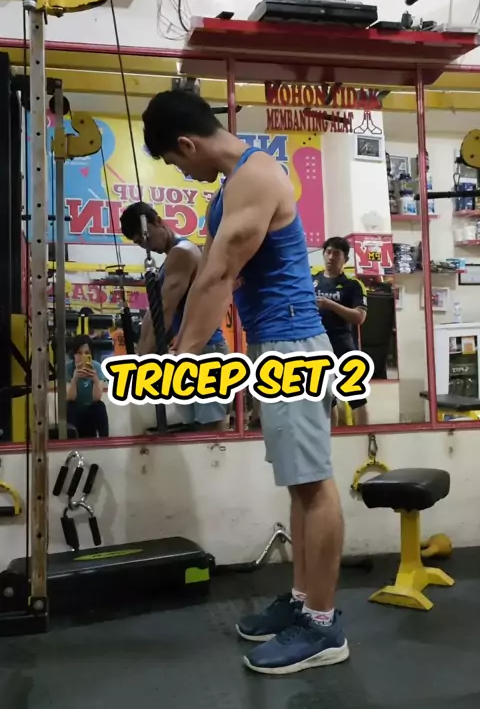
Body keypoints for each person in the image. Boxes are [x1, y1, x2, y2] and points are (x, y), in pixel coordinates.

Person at [142, 89, 348, 677]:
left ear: (187, 144)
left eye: (176, 162)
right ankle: (304, 601)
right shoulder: (233, 186)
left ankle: (323, 625)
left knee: (314, 484)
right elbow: (211, 274)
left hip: (293, 344)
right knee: (300, 484)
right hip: (273, 343)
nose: (182, 172)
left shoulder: (255, 178)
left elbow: (218, 276)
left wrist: (181, 356)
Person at [120, 201, 230, 432]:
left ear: (159, 222)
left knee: (211, 430)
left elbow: (164, 310)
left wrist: (143, 359)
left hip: (205, 350)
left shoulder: (182, 253)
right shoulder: (172, 258)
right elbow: (156, 311)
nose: (145, 246)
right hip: (189, 351)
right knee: (193, 429)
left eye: (145, 238)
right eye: (139, 243)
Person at [314, 237, 369, 427]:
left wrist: (330, 304)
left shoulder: (353, 285)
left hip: (343, 345)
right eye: (328, 252)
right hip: (317, 346)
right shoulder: (312, 280)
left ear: (345, 258)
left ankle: (365, 437)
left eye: (336, 253)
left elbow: (359, 317)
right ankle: (332, 439)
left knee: (356, 397)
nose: (331, 257)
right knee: (326, 398)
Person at [66, 336, 109, 438]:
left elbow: (97, 398)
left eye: (86, 353)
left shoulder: (96, 367)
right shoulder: (68, 367)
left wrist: (95, 379)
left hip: (91, 411)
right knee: (69, 406)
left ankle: (105, 441)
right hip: (76, 412)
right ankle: (70, 440)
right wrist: (75, 379)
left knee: (100, 406)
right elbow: (70, 397)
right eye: (79, 353)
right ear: (74, 354)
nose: (83, 356)